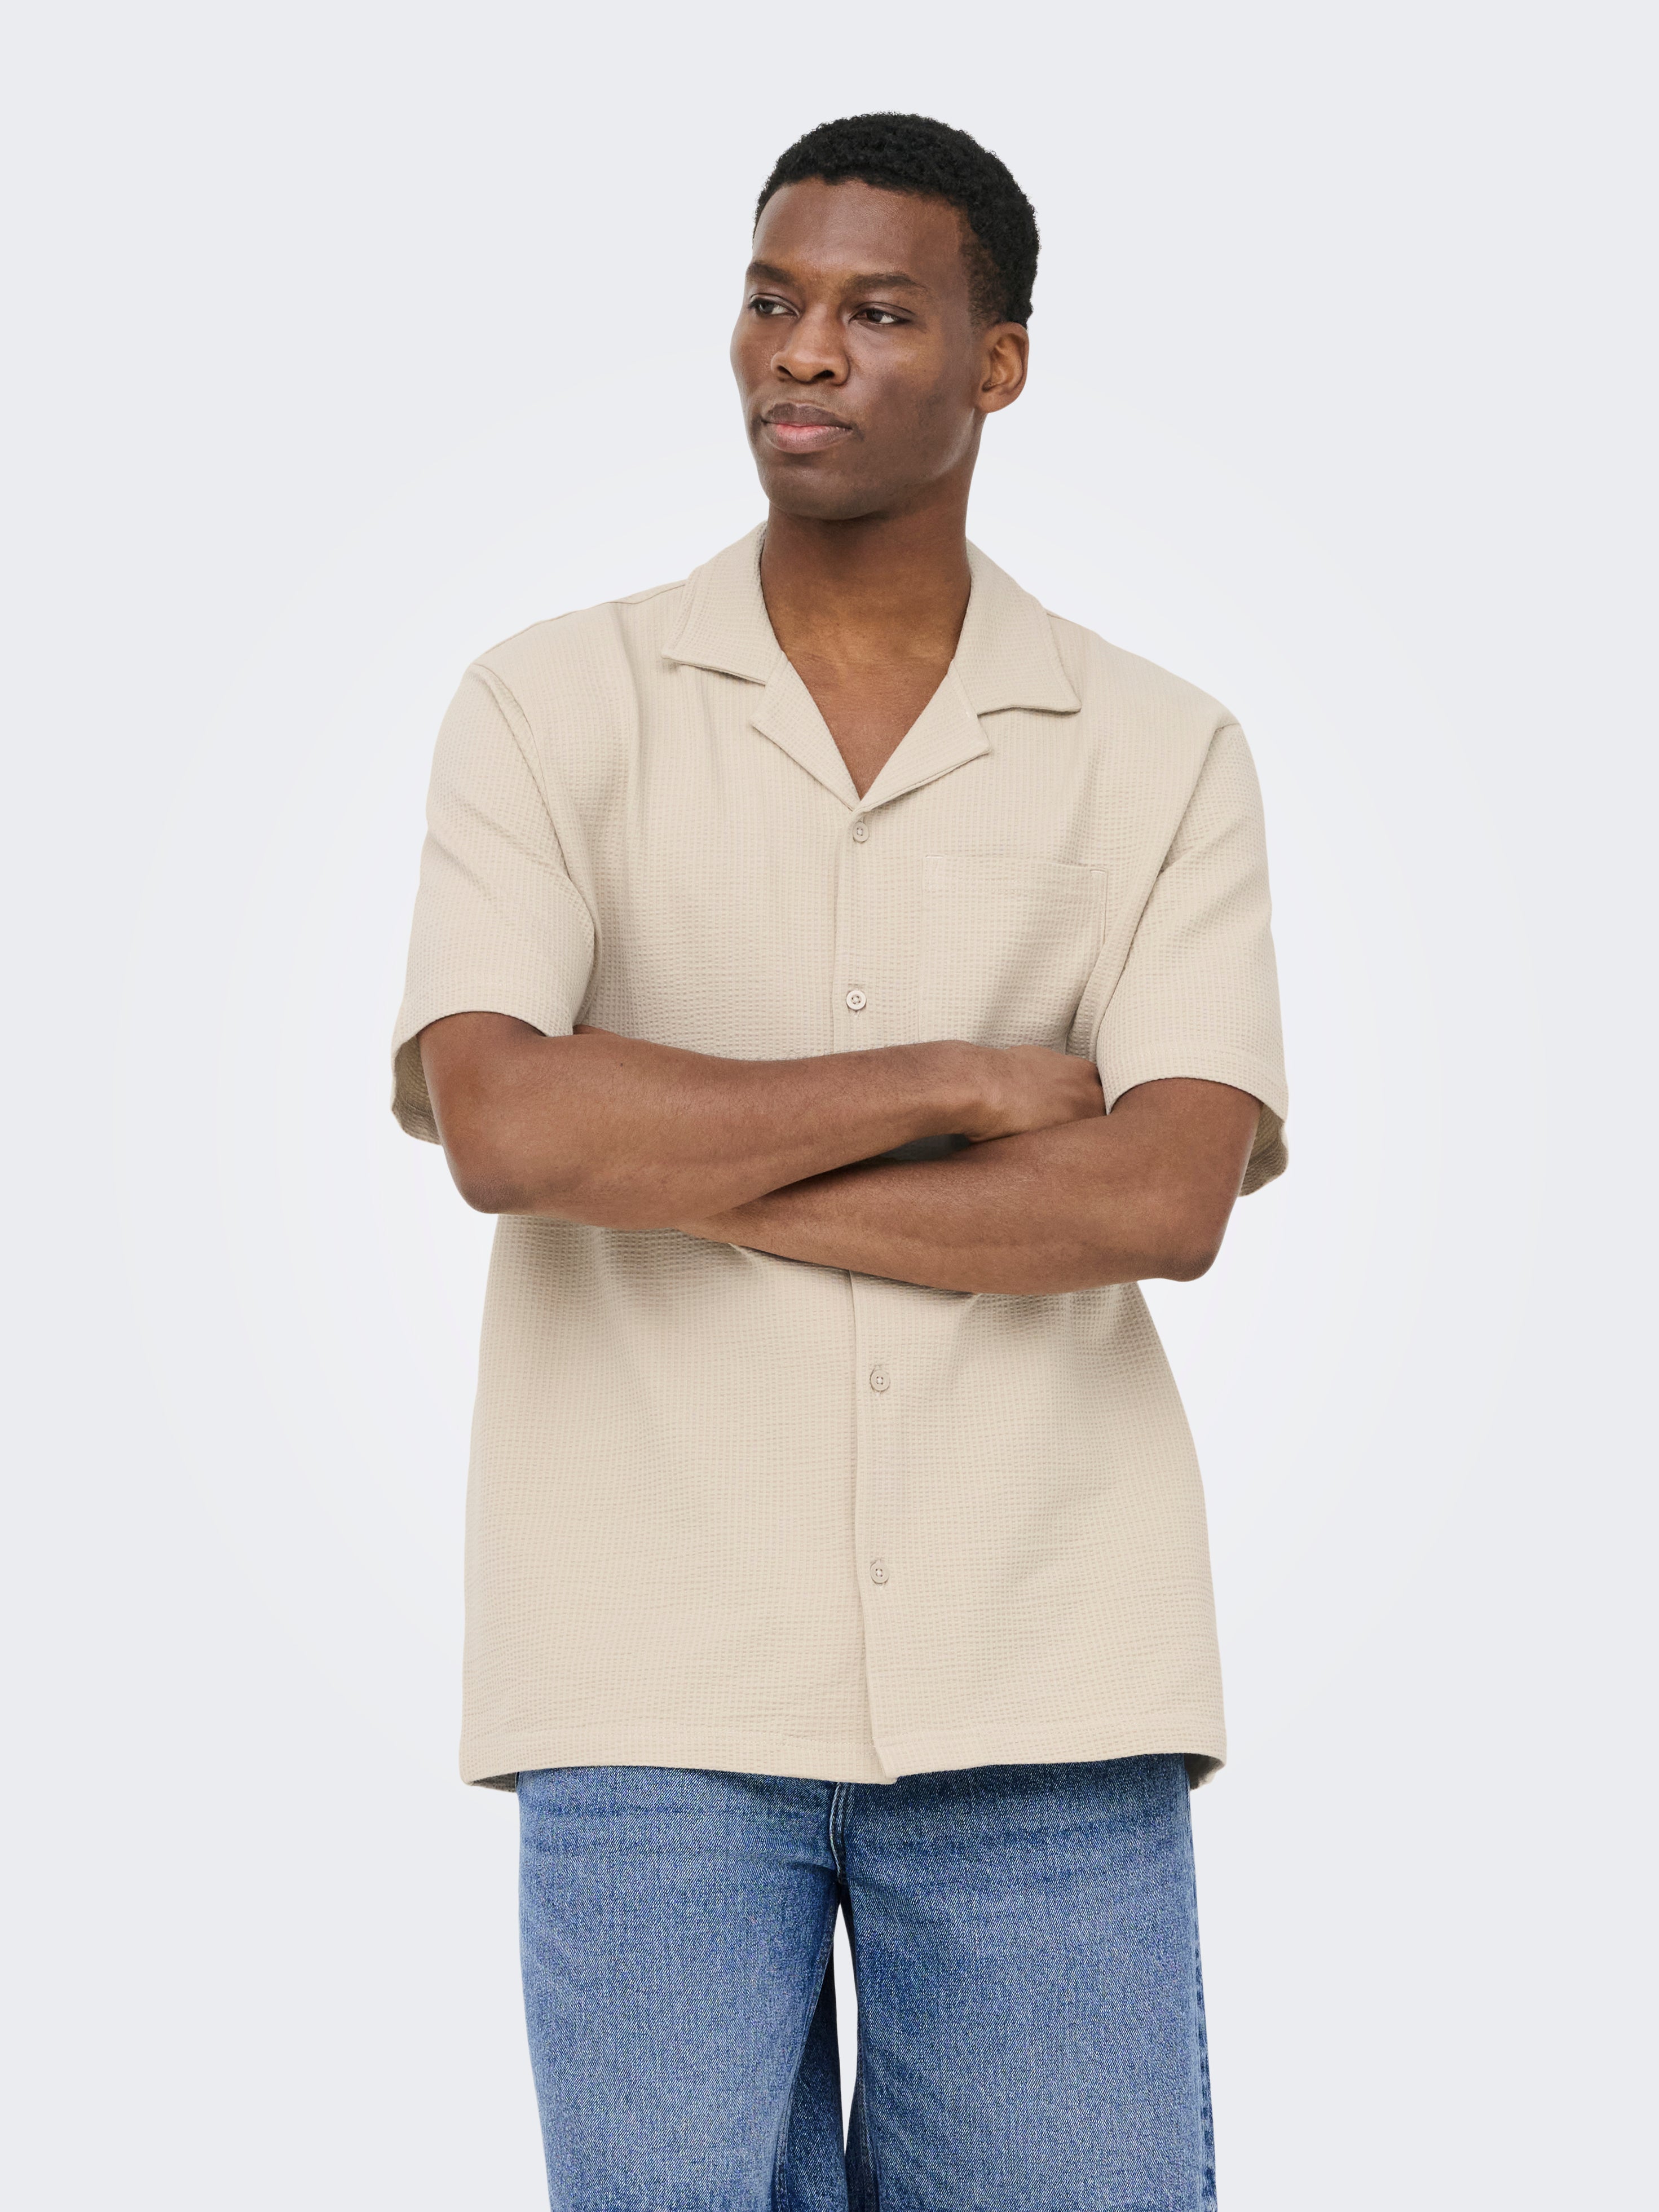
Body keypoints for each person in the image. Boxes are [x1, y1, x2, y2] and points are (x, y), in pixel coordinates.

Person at [391, 111, 1287, 2212]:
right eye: (773, 300)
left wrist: (672, 1154)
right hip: (646, 1672)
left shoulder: (1163, 749)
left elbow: (1158, 1197)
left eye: (879, 311)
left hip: (1049, 1672)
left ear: (998, 364)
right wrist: (963, 1084)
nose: (803, 351)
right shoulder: (551, 706)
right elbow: (506, 1124)